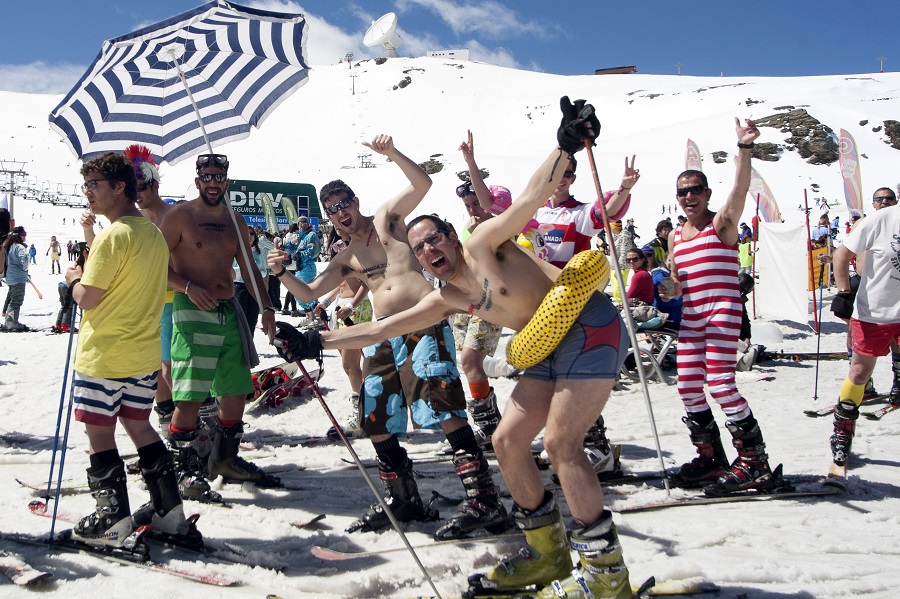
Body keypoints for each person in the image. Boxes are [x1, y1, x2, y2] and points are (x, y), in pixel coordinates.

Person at [275, 99, 634, 597]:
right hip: (546, 346)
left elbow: (530, 198)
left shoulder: (486, 243)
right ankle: (546, 554)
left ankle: (606, 574)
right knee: (507, 442)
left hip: (589, 325)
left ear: (450, 236)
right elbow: (382, 329)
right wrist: (315, 338)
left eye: (434, 241)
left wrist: (564, 143)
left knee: (559, 444)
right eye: (422, 250)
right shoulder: (448, 296)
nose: (430, 252)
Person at [268, 134, 505, 540]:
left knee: (445, 409)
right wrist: (280, 272)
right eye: (332, 209)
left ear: (356, 202)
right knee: (375, 417)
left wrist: (391, 153)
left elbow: (422, 185)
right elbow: (308, 294)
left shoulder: (387, 221)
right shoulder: (346, 258)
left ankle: (484, 499)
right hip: (383, 339)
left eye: (344, 203)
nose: (340, 213)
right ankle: (403, 498)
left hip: (424, 324)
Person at [63, 152, 200, 549]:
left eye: (94, 185)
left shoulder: (114, 234)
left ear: (119, 186)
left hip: (104, 355)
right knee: (140, 428)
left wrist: (72, 280)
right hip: (142, 356)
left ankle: (112, 519)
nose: (88, 193)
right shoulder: (151, 233)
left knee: (99, 435)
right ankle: (168, 512)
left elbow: (88, 298)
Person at [661, 117, 778, 493]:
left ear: (707, 193)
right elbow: (679, 282)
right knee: (689, 388)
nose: (689, 197)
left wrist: (744, 149)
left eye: (695, 190)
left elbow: (740, 190)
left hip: (724, 313)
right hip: (694, 318)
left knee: (721, 385)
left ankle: (754, 460)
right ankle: (711, 459)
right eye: (683, 193)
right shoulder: (676, 236)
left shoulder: (722, 224)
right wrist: (671, 291)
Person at [159, 152, 280, 496]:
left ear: (227, 182)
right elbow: (153, 264)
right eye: (207, 178)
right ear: (197, 181)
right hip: (191, 309)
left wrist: (268, 307)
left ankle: (223, 459)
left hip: (228, 310)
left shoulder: (236, 222)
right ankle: (184, 471)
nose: (213, 184)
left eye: (218, 178)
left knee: (235, 390)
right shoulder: (180, 215)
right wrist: (186, 286)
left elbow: (251, 270)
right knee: (190, 395)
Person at [521, 153, 639, 477]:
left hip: (573, 303)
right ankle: (567, 442)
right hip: (541, 307)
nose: (562, 178)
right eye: (558, 171)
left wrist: (623, 189)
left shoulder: (578, 213)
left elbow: (604, 212)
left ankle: (596, 446)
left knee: (572, 379)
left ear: (574, 178)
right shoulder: (534, 211)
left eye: (569, 173)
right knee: (551, 380)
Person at [829, 195, 900, 469]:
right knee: (859, 373)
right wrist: (845, 292)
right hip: (875, 312)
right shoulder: (883, 219)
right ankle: (842, 431)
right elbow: (842, 253)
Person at [451, 130, 509, 449]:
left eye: (477, 202)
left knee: (472, 361)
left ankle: (489, 429)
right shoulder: (468, 227)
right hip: (469, 302)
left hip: (492, 304)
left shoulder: (499, 224)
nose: (473, 208)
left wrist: (470, 161)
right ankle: (490, 424)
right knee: (468, 364)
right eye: (468, 204)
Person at [819, 187, 898, 399]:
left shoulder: (893, 222)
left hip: (888, 288)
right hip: (862, 284)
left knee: (892, 335)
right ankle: (864, 382)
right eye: (879, 199)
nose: (884, 201)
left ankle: (896, 381)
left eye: (889, 198)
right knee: (852, 332)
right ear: (873, 203)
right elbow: (845, 250)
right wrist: (833, 262)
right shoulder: (865, 222)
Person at [283, 216, 320, 318]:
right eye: (300, 223)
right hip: (300, 268)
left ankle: (316, 315)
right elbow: (288, 249)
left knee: (302, 292)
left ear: (308, 224)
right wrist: (292, 242)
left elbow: (314, 251)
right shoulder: (300, 237)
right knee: (298, 294)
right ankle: (311, 315)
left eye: (304, 222)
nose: (302, 225)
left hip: (307, 267)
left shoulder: (311, 235)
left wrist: (299, 254)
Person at [1, 227, 29, 332]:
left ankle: (9, 321)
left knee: (12, 299)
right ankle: (12, 322)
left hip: (10, 277)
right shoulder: (19, 247)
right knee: (16, 300)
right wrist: (25, 269)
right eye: (23, 234)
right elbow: (25, 258)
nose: (25, 236)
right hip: (18, 278)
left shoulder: (9, 246)